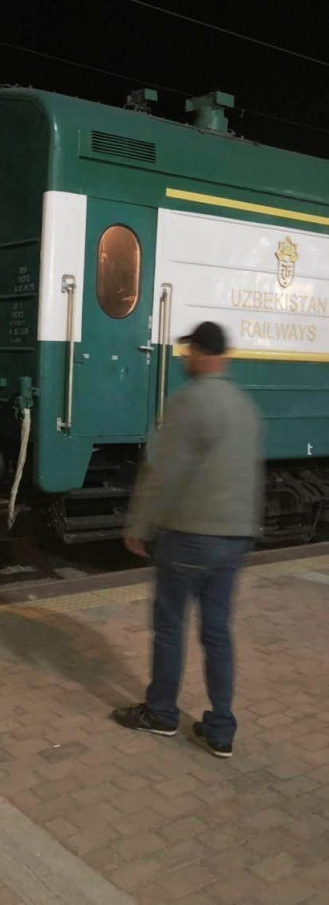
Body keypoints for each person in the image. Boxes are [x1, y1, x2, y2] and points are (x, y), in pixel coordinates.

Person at [112, 321, 263, 759]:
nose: (183, 359)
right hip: (234, 540)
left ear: (201, 352)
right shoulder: (244, 406)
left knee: (171, 625)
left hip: (190, 536)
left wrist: (139, 526)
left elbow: (163, 473)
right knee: (218, 632)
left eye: (188, 351)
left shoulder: (188, 403)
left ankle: (161, 713)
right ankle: (220, 730)